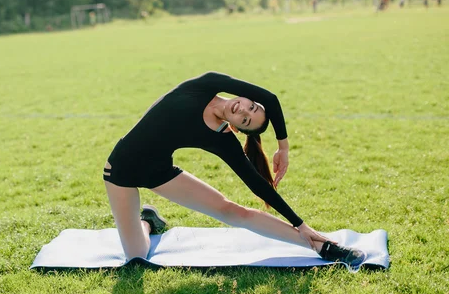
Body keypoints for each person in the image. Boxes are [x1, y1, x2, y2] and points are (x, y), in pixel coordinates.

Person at [103, 71, 365, 268]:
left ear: (238, 128)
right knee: (136, 257)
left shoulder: (223, 139)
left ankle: (321, 245)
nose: (243, 110)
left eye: (246, 120)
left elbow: (257, 184)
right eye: (250, 106)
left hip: (160, 172)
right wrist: (283, 147)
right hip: (121, 171)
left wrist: (300, 224)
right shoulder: (204, 85)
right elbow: (270, 98)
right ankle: (147, 222)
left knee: (232, 210)